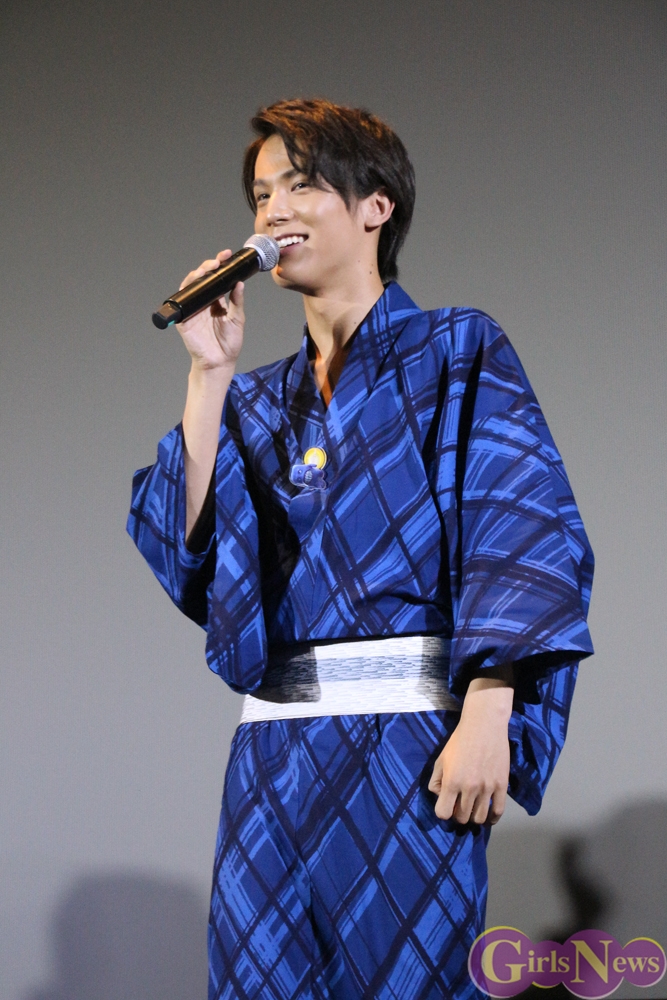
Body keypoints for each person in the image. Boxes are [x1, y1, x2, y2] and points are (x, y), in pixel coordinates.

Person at [128, 99, 594, 1000]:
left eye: (300, 186)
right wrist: (207, 373)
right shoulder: (254, 400)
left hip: (410, 745)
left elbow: (516, 524)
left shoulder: (456, 347)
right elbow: (190, 555)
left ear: (376, 205)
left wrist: (489, 712)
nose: (272, 212)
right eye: (261, 196)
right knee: (257, 979)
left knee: (406, 978)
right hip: (272, 755)